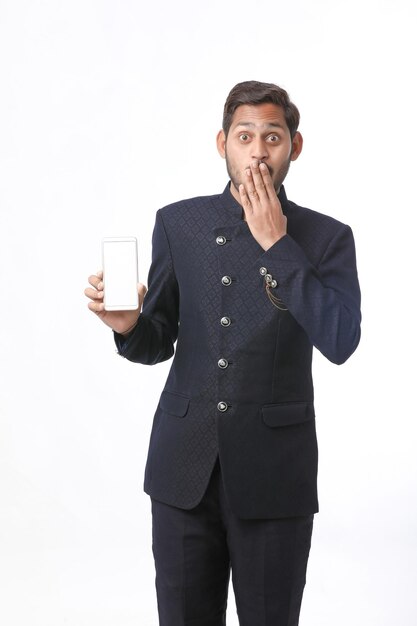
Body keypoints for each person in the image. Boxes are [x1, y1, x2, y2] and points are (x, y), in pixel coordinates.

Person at [85, 80, 361, 626]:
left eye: (273, 137)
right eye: (245, 136)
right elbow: (156, 340)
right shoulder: (178, 223)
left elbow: (341, 341)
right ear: (222, 144)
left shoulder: (327, 237)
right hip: (182, 469)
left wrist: (277, 245)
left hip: (275, 474)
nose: (258, 151)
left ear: (294, 147)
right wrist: (129, 326)